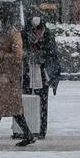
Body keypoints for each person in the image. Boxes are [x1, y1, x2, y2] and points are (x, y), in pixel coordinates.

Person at [0, 5, 33, 148]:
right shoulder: (0, 33)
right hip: (0, 75)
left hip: (9, 77)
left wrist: (1, 54)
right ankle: (27, 134)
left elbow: (18, 56)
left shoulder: (14, 34)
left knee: (3, 105)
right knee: (5, 106)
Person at [21, 11, 59, 140]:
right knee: (26, 100)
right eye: (35, 30)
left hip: (42, 73)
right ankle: (27, 129)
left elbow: (52, 54)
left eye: (38, 29)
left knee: (42, 103)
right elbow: (20, 50)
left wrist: (41, 57)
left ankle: (41, 129)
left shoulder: (47, 35)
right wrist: (27, 55)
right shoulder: (24, 35)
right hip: (28, 71)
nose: (37, 32)